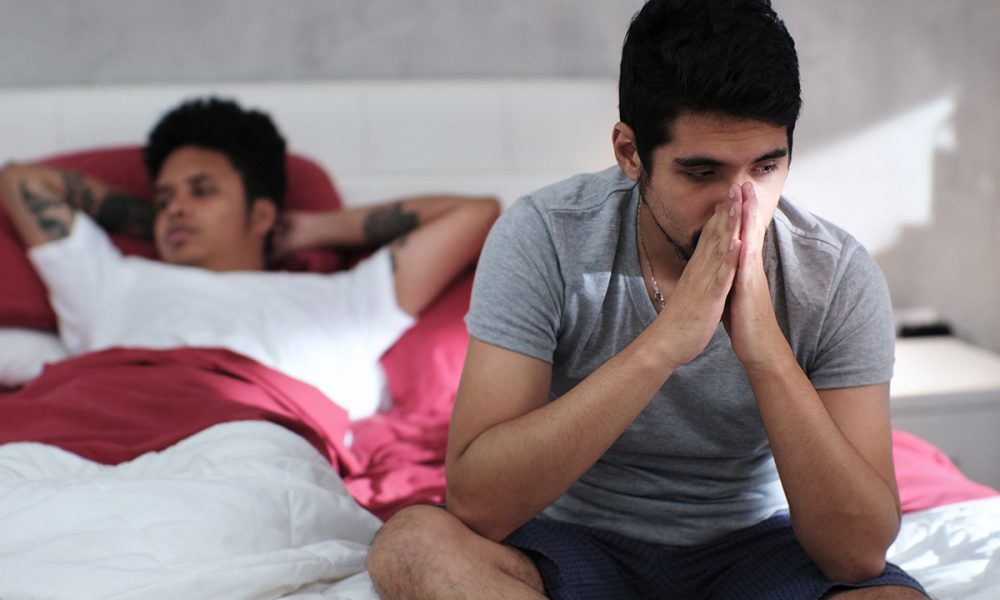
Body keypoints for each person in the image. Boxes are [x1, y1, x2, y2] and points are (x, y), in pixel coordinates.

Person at [366, 1, 929, 598]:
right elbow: (477, 505)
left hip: (754, 543)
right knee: (412, 545)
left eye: (766, 167)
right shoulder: (544, 235)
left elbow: (857, 555)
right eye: (701, 173)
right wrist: (664, 344)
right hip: (575, 538)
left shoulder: (836, 274)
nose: (739, 206)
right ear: (629, 153)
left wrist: (765, 349)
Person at [0, 97, 500, 420]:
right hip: (95, 433)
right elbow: (23, 181)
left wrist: (314, 227)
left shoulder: (343, 300)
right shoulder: (111, 281)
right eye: (165, 197)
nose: (176, 207)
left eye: (202, 191)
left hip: (257, 447)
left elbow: (476, 214)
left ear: (262, 213)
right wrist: (154, 220)